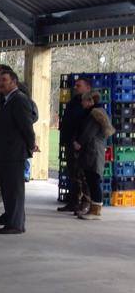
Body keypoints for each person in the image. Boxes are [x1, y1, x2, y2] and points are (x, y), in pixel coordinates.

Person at [0, 67, 36, 234]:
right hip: (5, 152)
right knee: (8, 189)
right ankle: (10, 218)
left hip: (14, 153)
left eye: (4, 80)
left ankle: (16, 224)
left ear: (14, 82)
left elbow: (26, 126)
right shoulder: (7, 99)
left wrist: (31, 145)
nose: (0, 83)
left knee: (14, 189)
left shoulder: (19, 100)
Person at [73, 92, 114, 221]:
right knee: (92, 179)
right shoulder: (95, 113)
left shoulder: (94, 114)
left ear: (90, 101)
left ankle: (96, 210)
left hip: (93, 151)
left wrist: (79, 143)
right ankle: (93, 207)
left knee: (94, 179)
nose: (82, 103)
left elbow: (88, 133)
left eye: (84, 101)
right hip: (93, 150)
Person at [57, 76, 92, 212]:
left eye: (79, 86)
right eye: (75, 85)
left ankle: (85, 201)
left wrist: (80, 141)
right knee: (73, 174)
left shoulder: (88, 104)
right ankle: (73, 201)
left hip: (81, 144)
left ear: (88, 88)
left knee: (83, 175)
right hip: (70, 142)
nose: (76, 88)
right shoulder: (73, 102)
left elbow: (87, 126)